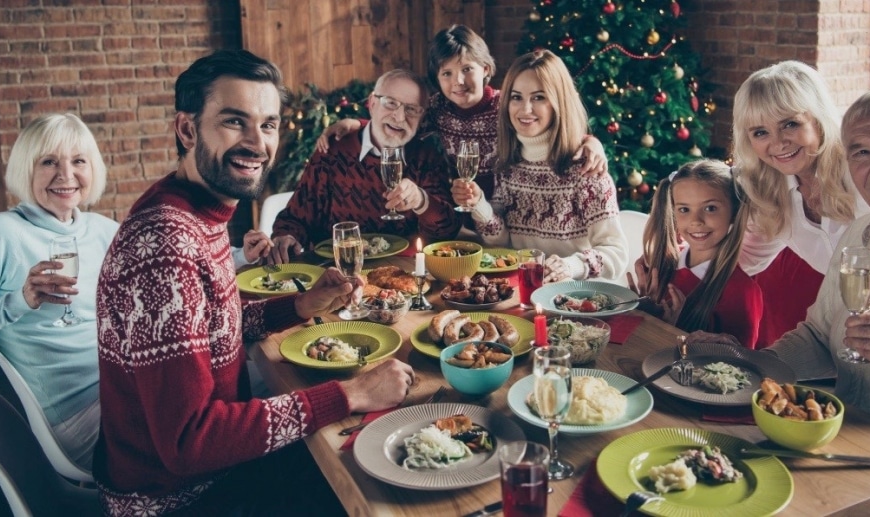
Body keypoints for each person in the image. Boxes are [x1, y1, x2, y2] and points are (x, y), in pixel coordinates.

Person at [94, 49, 415, 516]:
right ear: (187, 129)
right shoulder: (167, 245)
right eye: (233, 121)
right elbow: (190, 440)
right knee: (380, 488)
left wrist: (301, 307)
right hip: (177, 498)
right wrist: (352, 394)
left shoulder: (192, 211)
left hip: (212, 472)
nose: (257, 143)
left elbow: (210, 327)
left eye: (267, 125)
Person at [700, 86, 870, 513]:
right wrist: (746, 364)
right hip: (845, 458)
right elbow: (820, 335)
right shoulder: (860, 234)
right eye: (860, 152)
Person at [0, 113, 116, 471]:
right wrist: (20, 301)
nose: (66, 175)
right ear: (26, 169)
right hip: (78, 417)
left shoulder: (101, 229)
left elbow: (165, 263)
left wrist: (240, 254)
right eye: (49, 162)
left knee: (235, 390)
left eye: (78, 161)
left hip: (123, 385)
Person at [315, 25, 608, 203]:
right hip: (460, 206)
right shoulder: (438, 109)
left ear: (486, 70)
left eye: (467, 69)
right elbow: (400, 122)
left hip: (507, 206)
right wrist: (357, 122)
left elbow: (548, 124)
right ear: (437, 80)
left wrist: (590, 141)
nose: (458, 81)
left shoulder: (507, 104)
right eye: (447, 73)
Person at [454, 49, 627, 284]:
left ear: (559, 102)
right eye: (516, 97)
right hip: (522, 292)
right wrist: (479, 205)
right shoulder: (507, 166)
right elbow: (503, 242)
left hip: (573, 300)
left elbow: (616, 254)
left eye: (539, 97)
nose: (525, 110)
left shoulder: (587, 170)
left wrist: (571, 265)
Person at [731, 61, 870, 347]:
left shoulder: (862, 166)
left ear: (818, 119)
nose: (778, 143)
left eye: (790, 124)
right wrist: (672, 266)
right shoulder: (768, 190)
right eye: (760, 132)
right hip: (857, 335)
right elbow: (746, 260)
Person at [269, 68, 460, 261]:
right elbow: (296, 218)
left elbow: (447, 231)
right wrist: (287, 237)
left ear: (422, 116)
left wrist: (422, 201)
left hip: (401, 275)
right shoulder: (333, 149)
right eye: (390, 103)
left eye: (411, 109)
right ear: (372, 103)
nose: (399, 117)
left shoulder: (427, 155)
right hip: (336, 274)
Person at [637, 160, 763, 348]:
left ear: (734, 212)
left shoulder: (741, 291)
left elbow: (737, 370)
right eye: (684, 210)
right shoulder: (662, 266)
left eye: (710, 208)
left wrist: (672, 331)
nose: (696, 221)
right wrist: (641, 311)